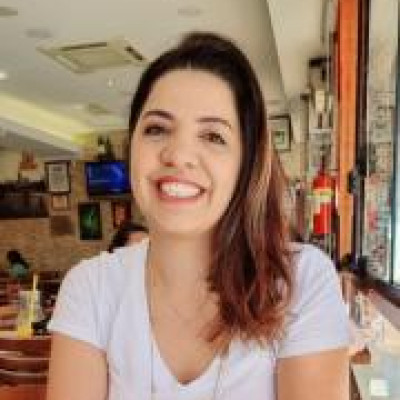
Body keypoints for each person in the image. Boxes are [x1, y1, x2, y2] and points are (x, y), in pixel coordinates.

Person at [47, 32, 350, 400]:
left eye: (213, 136)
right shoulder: (90, 289)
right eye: (157, 129)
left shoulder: (300, 282)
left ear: (246, 164)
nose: (178, 155)